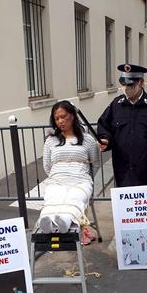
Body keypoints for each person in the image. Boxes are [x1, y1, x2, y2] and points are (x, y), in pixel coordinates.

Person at [97, 64, 147, 187]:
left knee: (146, 203)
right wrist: (105, 139)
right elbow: (104, 125)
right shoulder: (116, 105)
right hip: (123, 169)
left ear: (141, 82)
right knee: (125, 204)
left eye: (130, 85)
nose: (126, 88)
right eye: (124, 84)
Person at [37, 100, 99, 243]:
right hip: (57, 180)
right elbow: (47, 165)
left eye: (63, 117)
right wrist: (58, 176)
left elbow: (95, 163)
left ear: (72, 116)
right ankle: (46, 221)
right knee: (53, 197)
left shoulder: (88, 140)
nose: (60, 121)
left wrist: (85, 178)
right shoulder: (51, 141)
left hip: (81, 181)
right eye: (57, 118)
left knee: (75, 197)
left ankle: (66, 219)